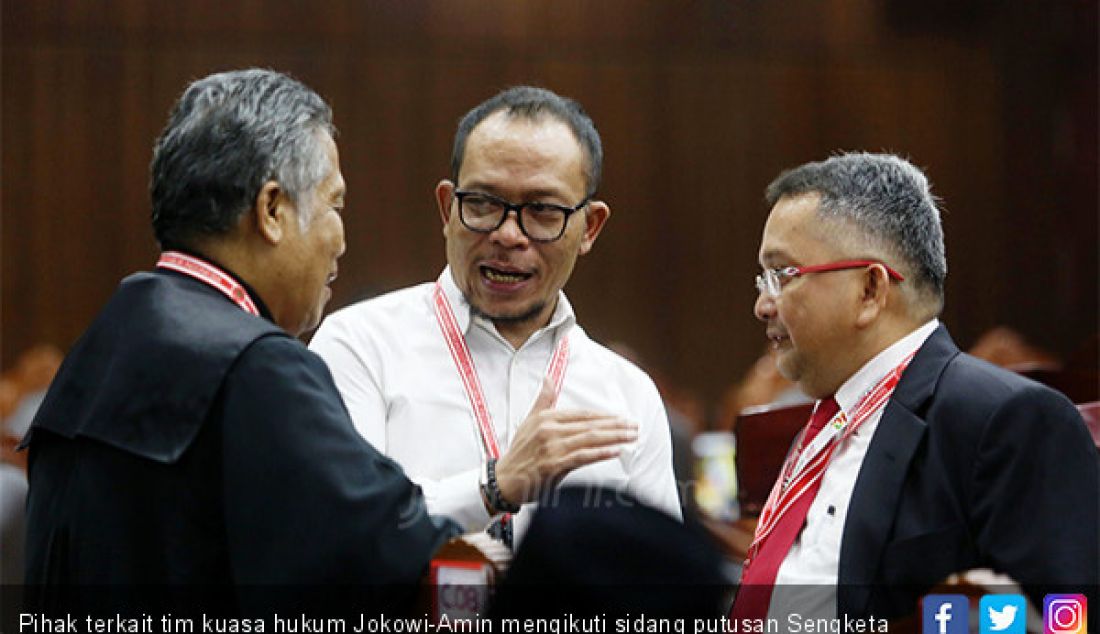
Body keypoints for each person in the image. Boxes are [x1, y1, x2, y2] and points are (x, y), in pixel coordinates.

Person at [21, 69, 459, 591]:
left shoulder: (102, 342)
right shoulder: (258, 368)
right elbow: (390, 558)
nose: (341, 240)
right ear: (272, 210)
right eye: (334, 204)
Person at [730, 153, 1098, 623]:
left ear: (870, 290)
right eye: (763, 278)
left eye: (783, 275)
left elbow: (1062, 619)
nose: (764, 303)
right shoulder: (820, 423)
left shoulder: (1007, 421)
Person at [310, 86, 681, 545]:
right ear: (448, 209)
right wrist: (493, 487)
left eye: (542, 211)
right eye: (483, 204)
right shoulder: (359, 347)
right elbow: (337, 534)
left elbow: (663, 591)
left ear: (590, 227)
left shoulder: (627, 395)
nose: (508, 235)